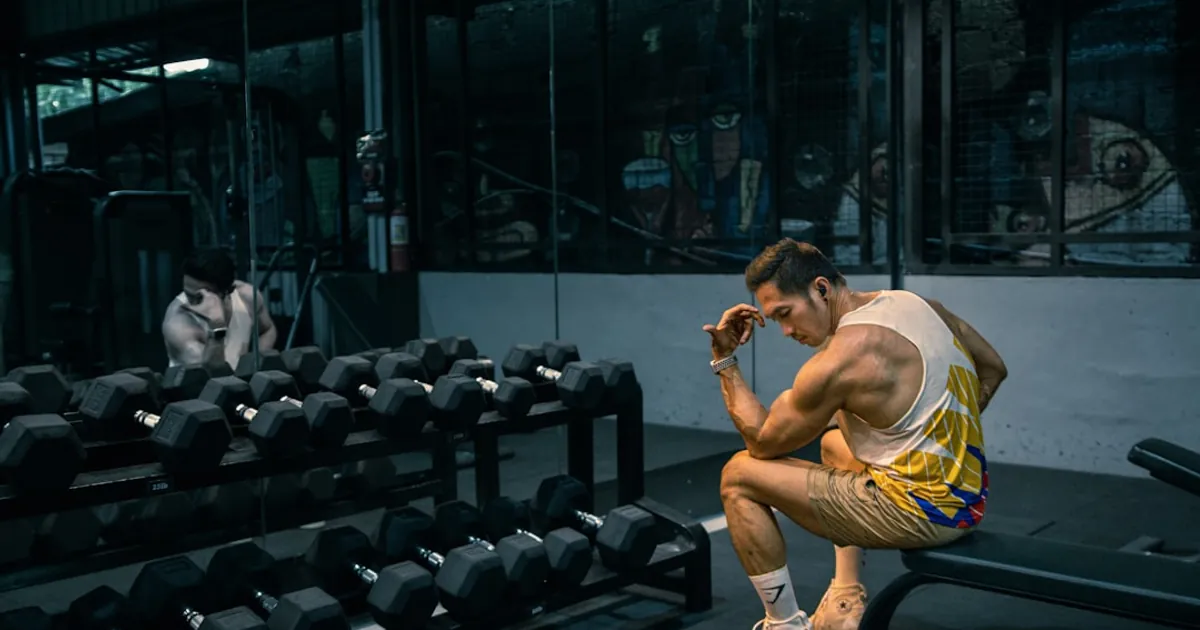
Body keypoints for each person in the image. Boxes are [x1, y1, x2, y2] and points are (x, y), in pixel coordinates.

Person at [704, 239, 1007, 630]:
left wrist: (724, 360)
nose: (785, 331)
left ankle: (784, 626)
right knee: (834, 439)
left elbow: (762, 441)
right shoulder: (915, 304)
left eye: (786, 313)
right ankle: (846, 597)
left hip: (925, 515)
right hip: (969, 498)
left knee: (738, 475)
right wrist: (941, 437)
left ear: (821, 289)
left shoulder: (845, 356)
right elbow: (993, 368)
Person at [162, 248, 277, 372]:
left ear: (227, 291)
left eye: (200, 297)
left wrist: (255, 363)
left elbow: (267, 330)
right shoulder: (177, 323)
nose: (192, 303)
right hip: (196, 388)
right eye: (188, 294)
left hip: (239, 384)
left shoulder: (247, 297)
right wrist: (217, 326)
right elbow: (212, 373)